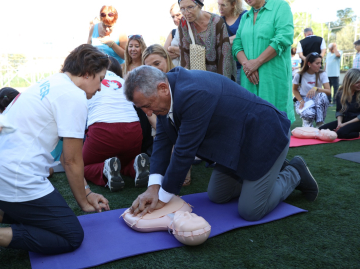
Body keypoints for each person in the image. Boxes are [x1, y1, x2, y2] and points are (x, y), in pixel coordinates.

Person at [0, 44, 111, 269]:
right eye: (100, 79)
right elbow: (71, 160)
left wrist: (87, 191)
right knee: (70, 235)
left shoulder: (52, 81)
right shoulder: (73, 95)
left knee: (44, 219)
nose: (100, 87)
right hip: (14, 176)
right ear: (86, 73)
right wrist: (84, 202)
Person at [124, 66, 318, 221]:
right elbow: (162, 140)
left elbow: (183, 151)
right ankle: (268, 174)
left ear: (162, 88)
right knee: (217, 195)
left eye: (148, 106)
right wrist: (153, 187)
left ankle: (295, 172)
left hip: (264, 136)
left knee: (250, 210)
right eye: (143, 109)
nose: (147, 113)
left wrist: (163, 197)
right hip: (235, 143)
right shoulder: (167, 94)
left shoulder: (193, 93)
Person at [82, 56, 150, 191]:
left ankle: (103, 169)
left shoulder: (90, 81)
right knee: (123, 160)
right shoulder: (123, 82)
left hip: (102, 130)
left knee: (79, 166)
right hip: (133, 130)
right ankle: (134, 167)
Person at [232, 0, 295, 122]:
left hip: (272, 80)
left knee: (276, 125)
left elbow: (283, 38)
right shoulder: (245, 16)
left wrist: (257, 62)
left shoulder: (280, 6)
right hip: (249, 80)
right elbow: (236, 44)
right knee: (252, 127)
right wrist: (247, 65)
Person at [142, 44, 191, 186]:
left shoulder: (182, 76)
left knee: (183, 180)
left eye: (157, 63)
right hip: (160, 126)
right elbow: (151, 117)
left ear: (166, 59)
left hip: (183, 126)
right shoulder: (146, 87)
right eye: (150, 67)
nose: (155, 69)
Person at [178, 0, 236, 79]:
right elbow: (184, 54)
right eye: (182, 8)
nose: (186, 12)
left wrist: (222, 83)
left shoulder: (217, 22)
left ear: (199, 5)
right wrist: (187, 80)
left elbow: (225, 55)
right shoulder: (183, 23)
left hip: (217, 75)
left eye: (190, 7)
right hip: (197, 76)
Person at [319, 68, 360, 139]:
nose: (359, 84)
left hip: (357, 121)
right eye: (357, 82)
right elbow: (339, 111)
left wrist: (344, 125)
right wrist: (339, 124)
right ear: (350, 81)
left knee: (341, 133)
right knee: (321, 129)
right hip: (347, 119)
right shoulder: (340, 93)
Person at [293, 52, 331, 128]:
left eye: (320, 63)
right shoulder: (299, 75)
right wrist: (301, 101)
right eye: (317, 63)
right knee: (309, 114)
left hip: (318, 100)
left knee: (322, 95)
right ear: (309, 63)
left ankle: (319, 124)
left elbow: (329, 91)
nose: (320, 65)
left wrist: (316, 88)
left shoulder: (322, 74)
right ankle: (307, 124)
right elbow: (294, 90)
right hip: (304, 100)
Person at [218, 0, 246, 84]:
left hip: (243, 65)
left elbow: (245, 35)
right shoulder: (219, 20)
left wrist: (225, 41)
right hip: (227, 67)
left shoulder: (245, 16)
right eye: (218, 5)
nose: (220, 8)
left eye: (223, 5)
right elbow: (217, 42)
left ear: (233, 4)